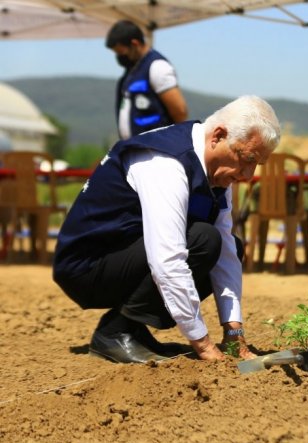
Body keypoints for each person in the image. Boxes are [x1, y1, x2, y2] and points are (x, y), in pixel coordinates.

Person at [53, 96, 281, 363]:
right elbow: (167, 258)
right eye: (247, 159)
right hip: (86, 267)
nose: (248, 175)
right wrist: (203, 344)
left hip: (126, 257)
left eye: (257, 165)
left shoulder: (217, 173)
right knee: (203, 240)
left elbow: (227, 253)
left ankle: (131, 329)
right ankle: (115, 332)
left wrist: (234, 330)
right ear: (218, 136)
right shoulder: (165, 161)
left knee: (225, 244)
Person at [106, 20, 188, 140]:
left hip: (157, 145)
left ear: (135, 44)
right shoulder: (131, 71)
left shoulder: (157, 67)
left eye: (121, 52)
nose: (119, 57)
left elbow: (180, 111)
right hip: (134, 147)